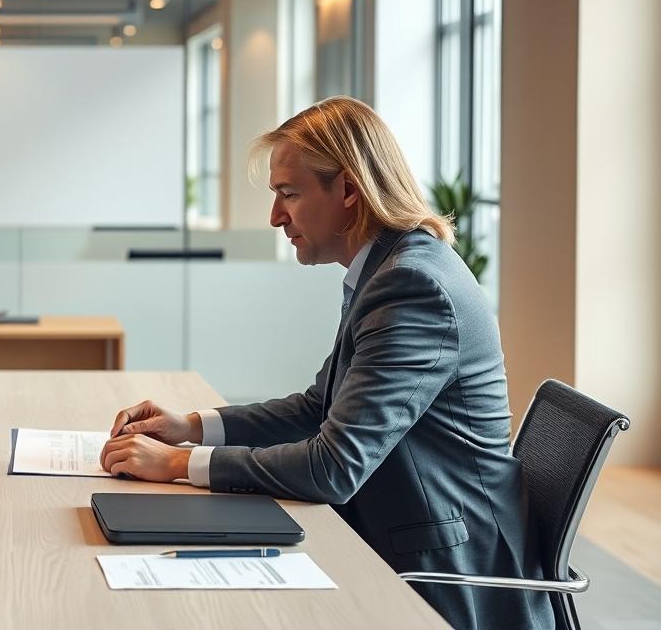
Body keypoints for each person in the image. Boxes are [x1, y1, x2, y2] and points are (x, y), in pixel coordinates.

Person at [100, 97, 552, 629]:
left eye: (289, 195)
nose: (275, 217)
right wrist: (191, 427)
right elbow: (320, 407)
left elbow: (334, 468)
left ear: (350, 191)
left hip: (437, 568)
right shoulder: (390, 267)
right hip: (396, 527)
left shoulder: (413, 285)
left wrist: (178, 465)